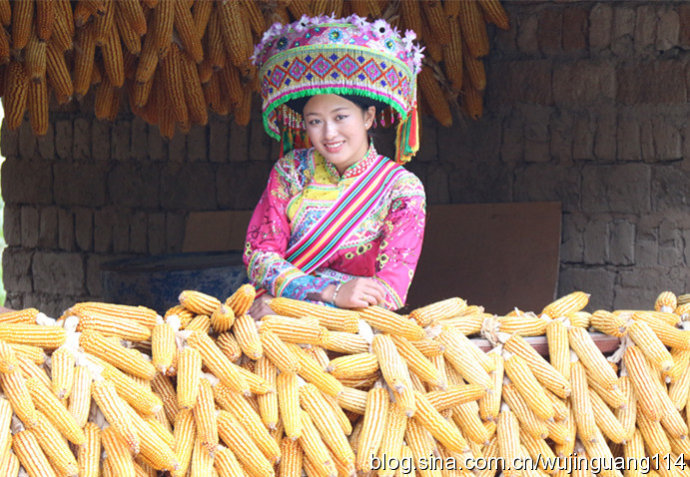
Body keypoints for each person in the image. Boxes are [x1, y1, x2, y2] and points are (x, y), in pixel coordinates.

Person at [244, 14, 426, 318]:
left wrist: (294, 306)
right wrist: (330, 293)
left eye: (341, 117)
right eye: (315, 121)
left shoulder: (401, 189)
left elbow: (390, 293)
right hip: (274, 324)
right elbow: (260, 256)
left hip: (350, 332)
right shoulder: (291, 171)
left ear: (368, 117)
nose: (328, 134)